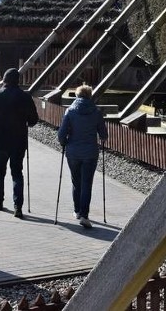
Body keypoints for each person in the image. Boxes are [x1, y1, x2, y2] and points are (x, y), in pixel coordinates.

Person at [0, 68, 38, 219]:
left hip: (0, 141)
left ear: (5, 80)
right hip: (18, 142)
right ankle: (18, 206)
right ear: (17, 80)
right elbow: (33, 120)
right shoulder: (25, 97)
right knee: (17, 173)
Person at [57, 84, 108, 229]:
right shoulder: (96, 112)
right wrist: (102, 137)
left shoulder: (70, 111)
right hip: (90, 153)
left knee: (76, 181)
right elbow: (104, 135)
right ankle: (85, 215)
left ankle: (77, 211)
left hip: (73, 152)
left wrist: (65, 142)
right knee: (87, 183)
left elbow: (61, 134)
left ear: (77, 96)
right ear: (90, 96)